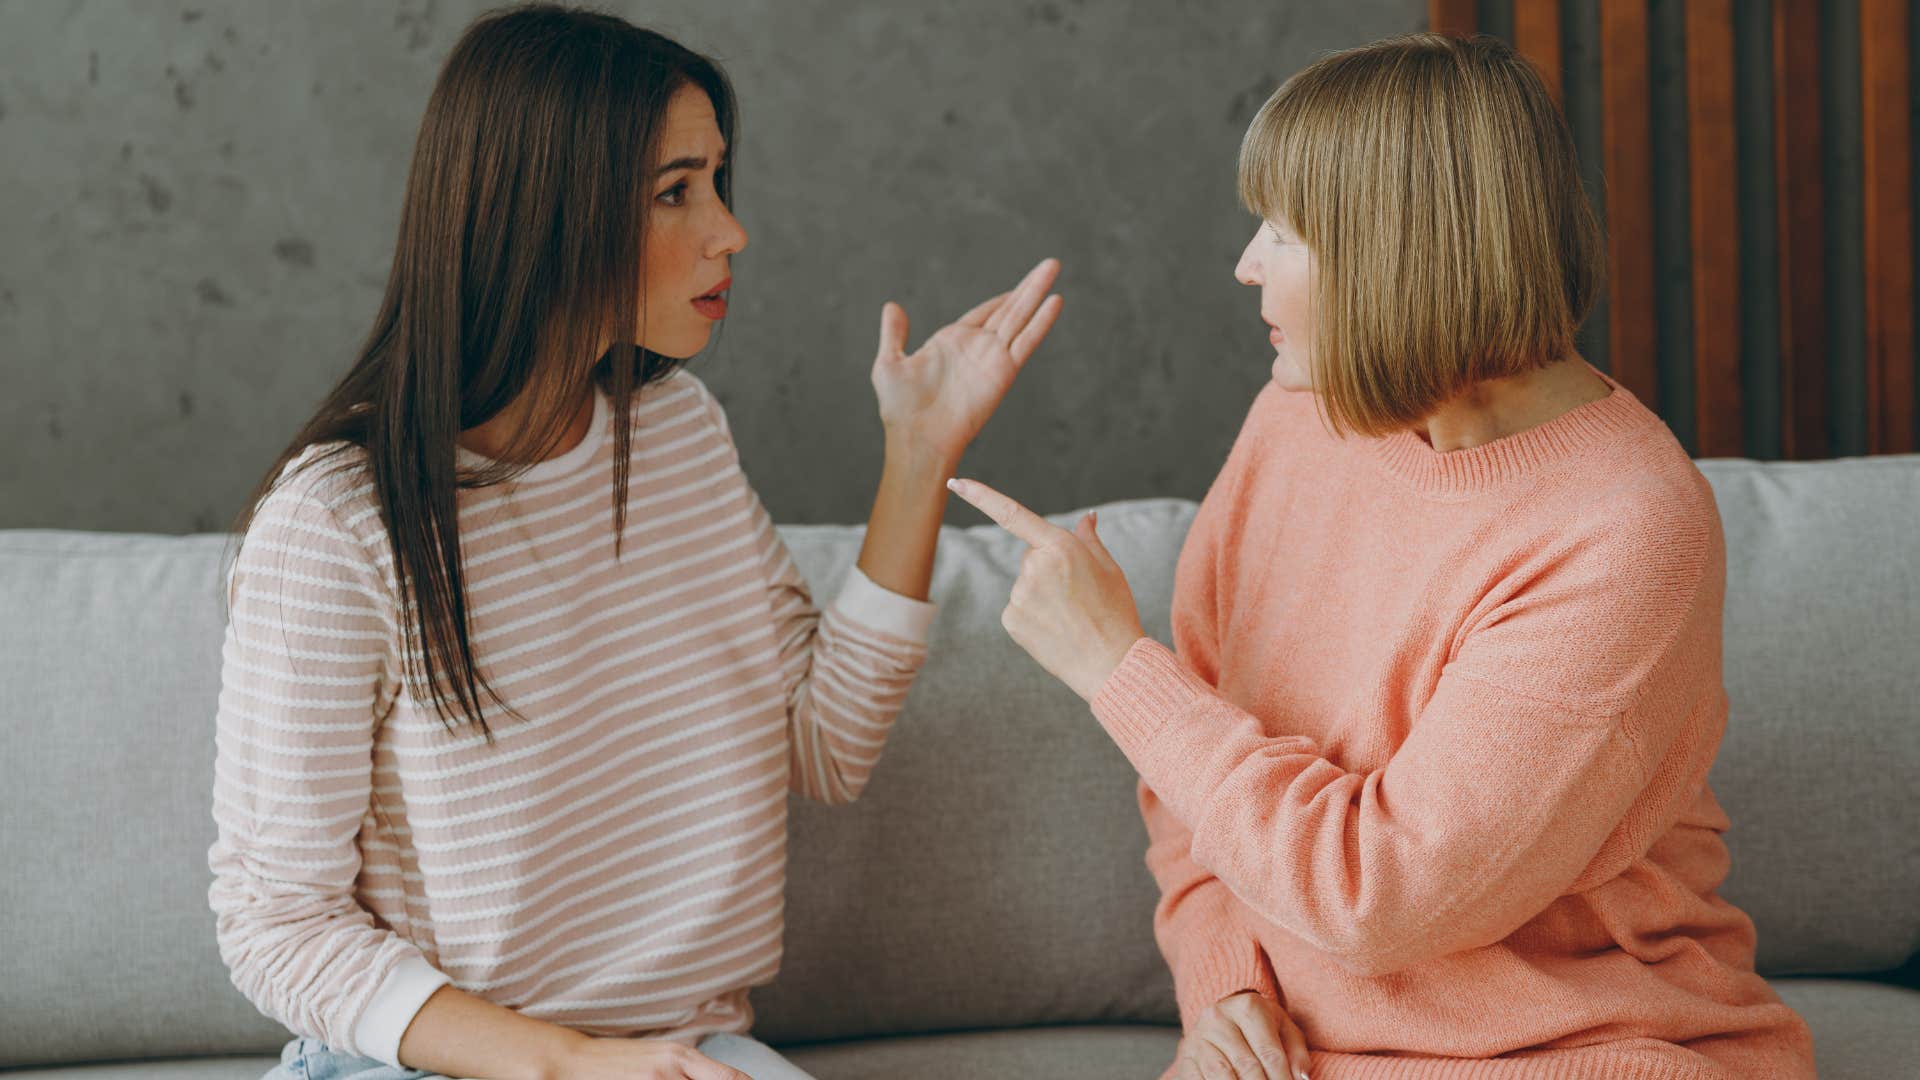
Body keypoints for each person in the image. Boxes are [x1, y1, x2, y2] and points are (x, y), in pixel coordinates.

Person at [208, 6, 1061, 1079]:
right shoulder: (339, 522)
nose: (730, 230)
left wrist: (918, 452)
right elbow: (275, 924)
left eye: (717, 180)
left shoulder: (677, 434)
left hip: (685, 1054)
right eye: (675, 192)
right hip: (433, 1063)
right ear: (542, 214)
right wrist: (571, 1063)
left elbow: (826, 744)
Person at [949, 32, 1816, 1080]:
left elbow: (1380, 897)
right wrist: (1223, 981)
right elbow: (1196, 766)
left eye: (1283, 231)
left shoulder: (1626, 530)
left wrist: (1111, 668)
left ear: (1395, 250)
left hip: (1578, 1051)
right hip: (1292, 1054)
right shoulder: (1300, 419)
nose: (1245, 265)